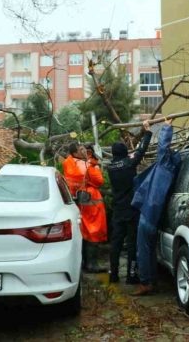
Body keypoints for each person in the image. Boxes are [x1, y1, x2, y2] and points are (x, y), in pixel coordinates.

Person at [131, 118, 180, 296]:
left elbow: (163, 147)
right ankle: (151, 281)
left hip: (148, 214)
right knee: (149, 250)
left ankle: (146, 282)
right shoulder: (170, 172)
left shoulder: (165, 168)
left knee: (143, 250)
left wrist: (166, 127)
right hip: (153, 214)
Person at [105, 120, 153, 284]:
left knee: (116, 244)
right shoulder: (129, 163)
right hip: (131, 210)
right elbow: (141, 150)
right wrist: (147, 132)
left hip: (118, 211)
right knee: (132, 244)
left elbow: (128, 157)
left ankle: (113, 274)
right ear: (125, 152)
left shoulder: (110, 167)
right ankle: (131, 276)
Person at [63, 143, 108, 272]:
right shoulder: (86, 165)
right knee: (93, 231)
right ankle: (92, 264)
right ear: (75, 153)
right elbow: (99, 181)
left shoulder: (69, 163)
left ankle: (84, 262)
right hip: (91, 202)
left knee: (84, 231)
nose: (84, 151)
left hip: (79, 200)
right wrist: (95, 165)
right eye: (81, 149)